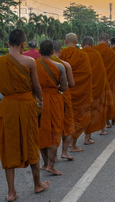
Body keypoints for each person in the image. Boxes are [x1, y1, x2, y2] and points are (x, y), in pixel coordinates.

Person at [0, 29, 50, 201]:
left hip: (8, 106)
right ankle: (37, 184)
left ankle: (11, 192)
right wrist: (40, 100)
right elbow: (36, 87)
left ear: (8, 43)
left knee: (8, 147)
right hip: (26, 105)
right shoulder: (29, 61)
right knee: (31, 142)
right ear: (24, 44)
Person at [36, 40, 68, 175]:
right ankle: (51, 165)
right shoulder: (59, 67)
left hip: (39, 101)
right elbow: (65, 87)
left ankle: (44, 163)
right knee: (56, 131)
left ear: (39, 51)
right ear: (52, 52)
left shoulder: (33, 65)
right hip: (55, 99)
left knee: (41, 131)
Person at [60, 33, 93, 152]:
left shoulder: (61, 54)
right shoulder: (82, 55)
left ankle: (61, 147)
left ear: (65, 42)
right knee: (78, 116)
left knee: (65, 118)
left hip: (64, 92)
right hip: (79, 92)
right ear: (77, 41)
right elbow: (87, 75)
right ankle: (73, 145)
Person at [81, 36, 110, 141]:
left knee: (76, 113)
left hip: (80, 89)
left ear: (82, 44)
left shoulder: (78, 54)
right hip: (94, 89)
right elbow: (101, 74)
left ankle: (71, 143)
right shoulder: (96, 55)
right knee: (92, 110)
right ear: (93, 44)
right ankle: (87, 137)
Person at [93, 33, 115, 126]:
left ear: (98, 40)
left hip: (97, 81)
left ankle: (105, 121)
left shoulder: (93, 51)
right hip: (110, 79)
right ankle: (112, 118)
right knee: (111, 98)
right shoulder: (112, 53)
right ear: (107, 41)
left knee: (100, 99)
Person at [52, 40, 76, 161]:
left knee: (52, 125)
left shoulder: (39, 64)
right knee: (66, 124)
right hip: (63, 96)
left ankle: (53, 156)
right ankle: (64, 152)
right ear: (60, 51)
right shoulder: (65, 65)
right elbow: (71, 84)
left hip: (49, 98)